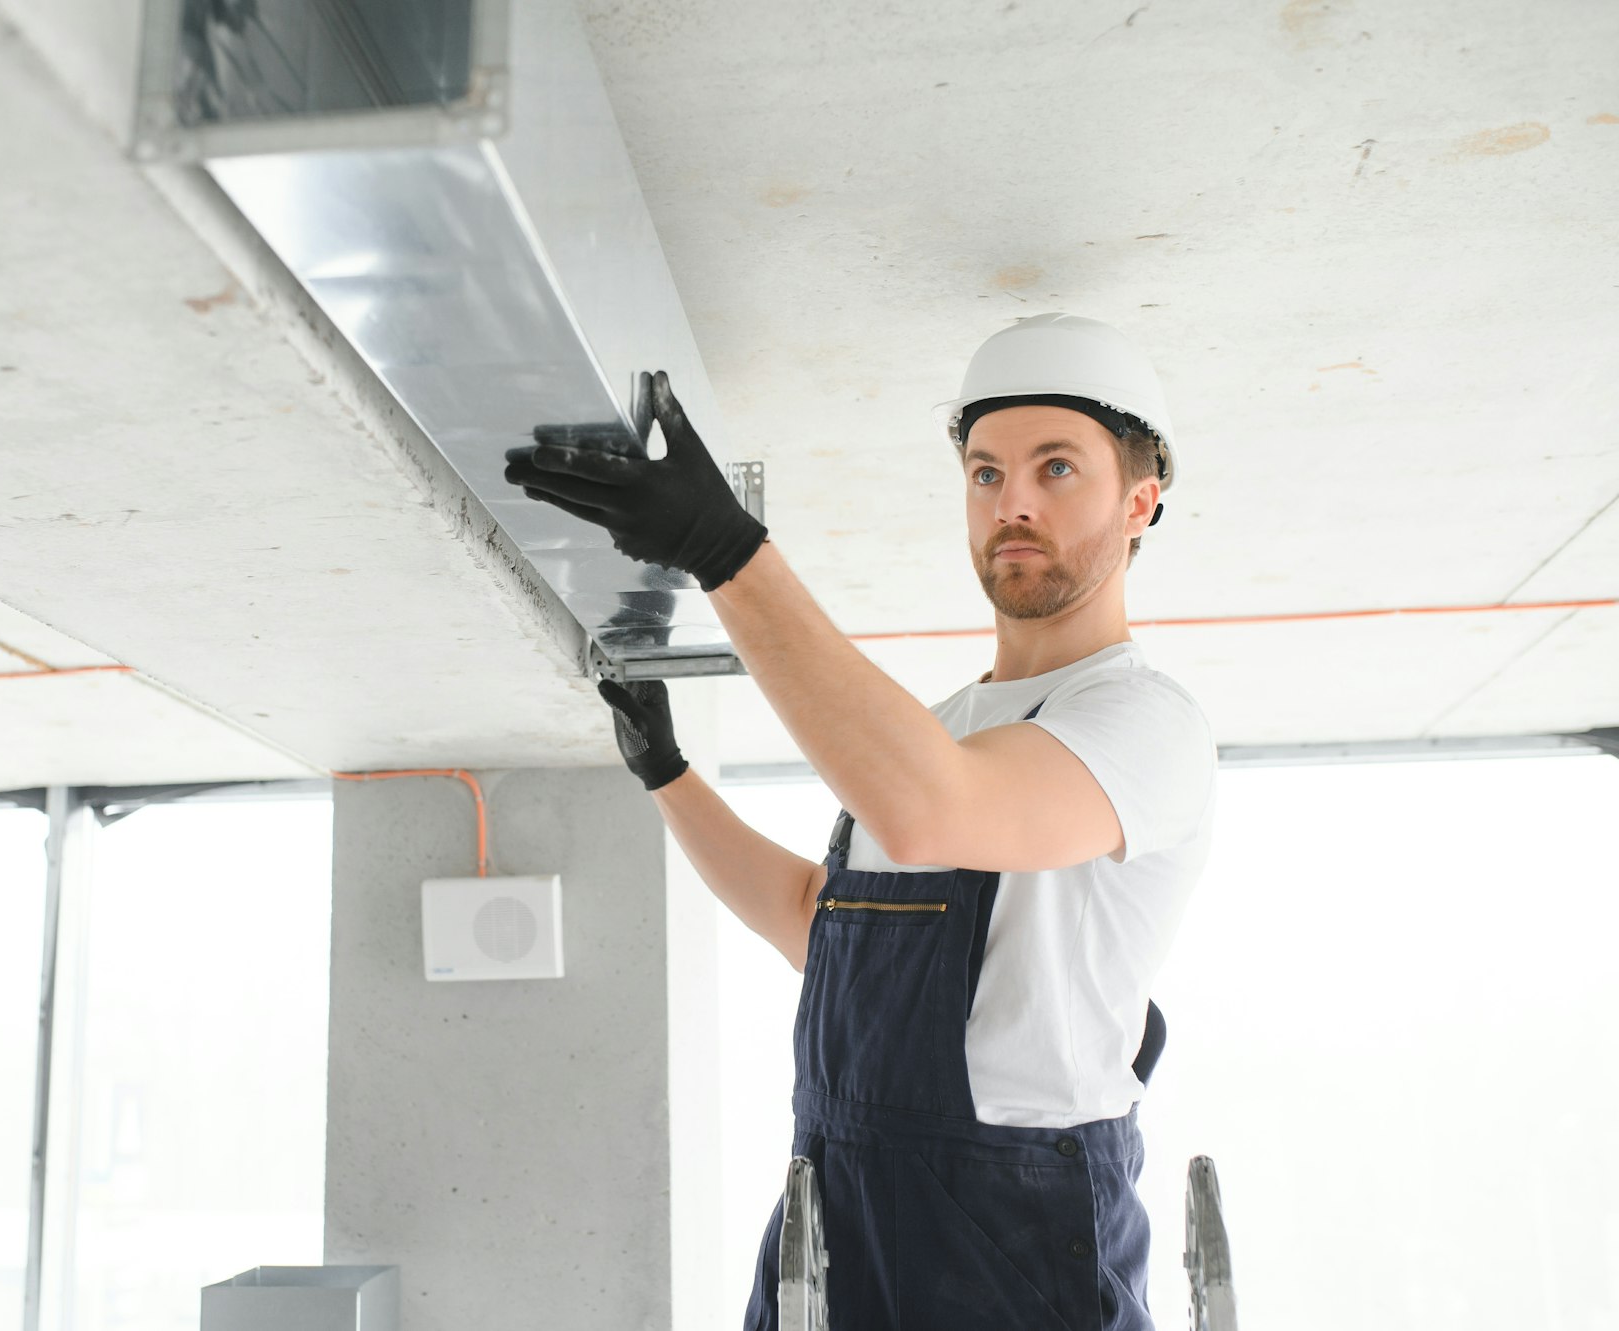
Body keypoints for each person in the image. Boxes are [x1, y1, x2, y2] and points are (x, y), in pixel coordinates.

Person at [504, 313, 1217, 1330]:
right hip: (834, 1193)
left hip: (1007, 1230)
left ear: (1139, 502)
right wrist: (667, 774)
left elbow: (932, 811)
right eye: (983, 473)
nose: (1010, 501)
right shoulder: (934, 732)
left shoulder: (1142, 721)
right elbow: (821, 921)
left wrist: (724, 549)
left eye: (1055, 468)